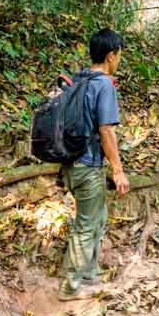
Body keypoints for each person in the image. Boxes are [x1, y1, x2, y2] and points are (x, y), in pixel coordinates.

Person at [59, 28, 130, 301]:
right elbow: (106, 130)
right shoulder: (104, 85)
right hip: (88, 166)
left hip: (71, 163)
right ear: (111, 55)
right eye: (119, 55)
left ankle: (89, 273)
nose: (119, 60)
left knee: (98, 217)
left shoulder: (79, 79)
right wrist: (118, 170)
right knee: (86, 226)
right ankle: (70, 287)